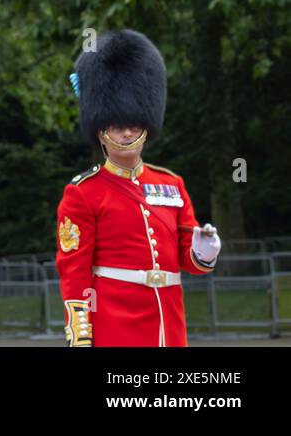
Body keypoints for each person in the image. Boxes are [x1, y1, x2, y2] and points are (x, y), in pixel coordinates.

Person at [56, 29, 221, 347]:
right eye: (118, 125)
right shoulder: (83, 193)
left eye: (134, 124)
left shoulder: (171, 184)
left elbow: (189, 262)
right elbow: (74, 272)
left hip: (168, 319)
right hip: (114, 322)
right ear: (101, 130)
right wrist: (80, 335)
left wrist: (204, 247)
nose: (128, 132)